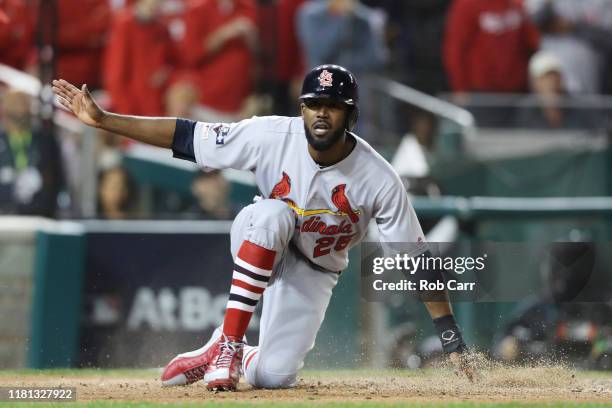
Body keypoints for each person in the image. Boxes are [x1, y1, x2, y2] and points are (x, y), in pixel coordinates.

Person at [52, 64, 474, 391]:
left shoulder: (378, 177)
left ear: (351, 114)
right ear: (302, 108)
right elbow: (185, 135)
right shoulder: (270, 134)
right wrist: (106, 120)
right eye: (312, 103)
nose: (321, 113)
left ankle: (221, 349)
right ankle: (231, 344)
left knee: (275, 376)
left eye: (332, 105)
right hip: (260, 234)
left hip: (316, 268)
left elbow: (416, 261)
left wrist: (450, 335)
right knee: (275, 214)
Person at [0, 90, 62, 217]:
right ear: (4, 112)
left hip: (39, 214)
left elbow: (58, 178)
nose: (19, 110)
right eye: (14, 113)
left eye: (23, 112)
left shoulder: (46, 140)